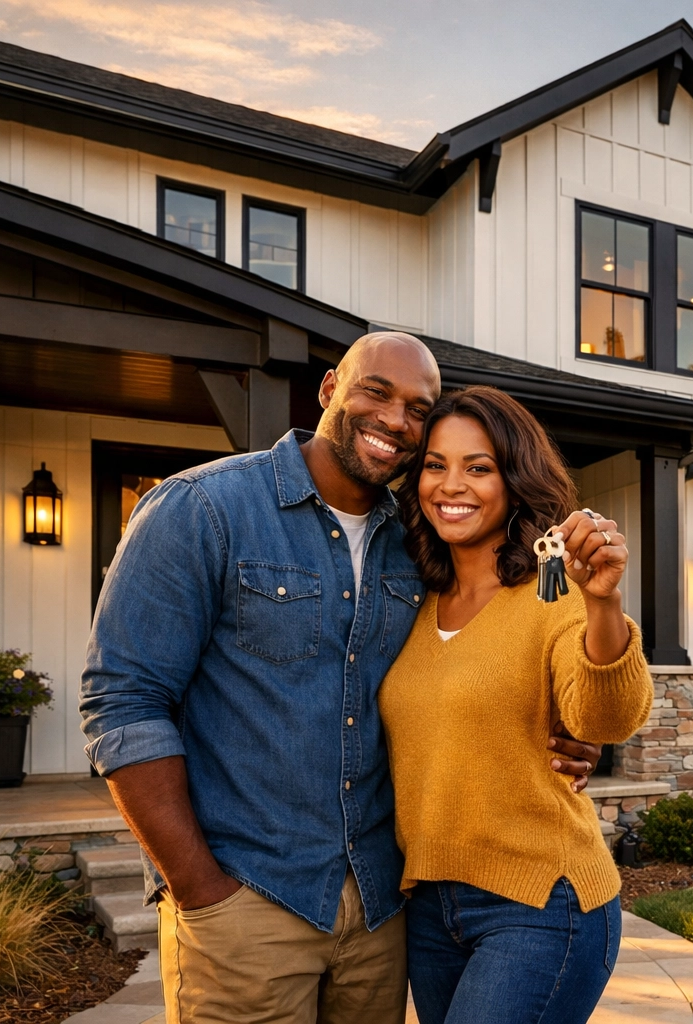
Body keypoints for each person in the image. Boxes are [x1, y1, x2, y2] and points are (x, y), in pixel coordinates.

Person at [79, 333, 602, 1024]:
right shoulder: (203, 509)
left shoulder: (418, 544)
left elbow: (482, 646)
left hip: (382, 912)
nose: (396, 420)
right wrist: (199, 888)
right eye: (376, 392)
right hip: (249, 898)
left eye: (418, 408)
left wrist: (566, 720)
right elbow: (122, 703)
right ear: (330, 389)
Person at [382, 386, 652, 1024]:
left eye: (479, 468)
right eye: (435, 465)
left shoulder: (553, 593)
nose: (452, 485)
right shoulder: (412, 601)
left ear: (514, 480)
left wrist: (605, 604)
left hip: (538, 904)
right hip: (428, 907)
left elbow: (604, 721)